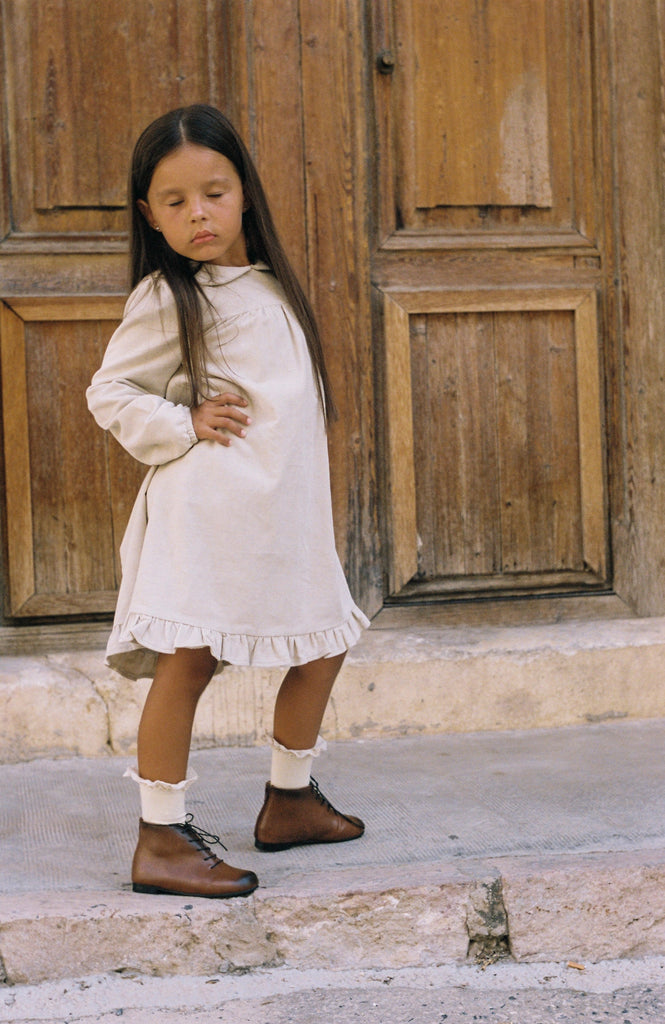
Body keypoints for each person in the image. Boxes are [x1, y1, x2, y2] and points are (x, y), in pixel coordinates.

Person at [86, 104, 369, 900]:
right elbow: (109, 391)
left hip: (278, 516)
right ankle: (160, 835)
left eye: (212, 192)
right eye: (173, 202)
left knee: (324, 642)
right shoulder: (168, 296)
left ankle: (289, 799)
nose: (197, 214)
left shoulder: (269, 286)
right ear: (149, 214)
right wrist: (181, 420)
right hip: (208, 514)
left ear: (244, 192)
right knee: (192, 660)